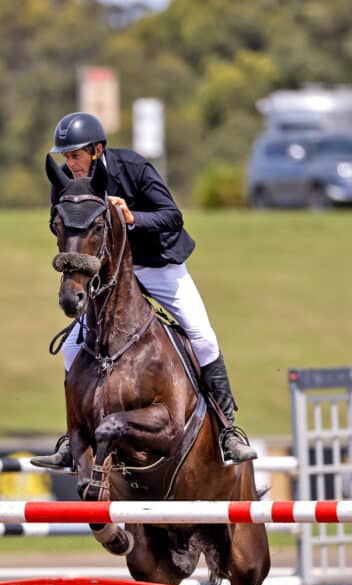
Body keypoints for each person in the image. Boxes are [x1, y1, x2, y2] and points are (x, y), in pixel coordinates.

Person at [31, 111, 257, 469]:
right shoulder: (67, 183)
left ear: (97, 150)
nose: (70, 163)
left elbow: (171, 215)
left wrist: (130, 217)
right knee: (73, 345)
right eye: (65, 156)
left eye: (75, 155)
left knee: (203, 336)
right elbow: (57, 224)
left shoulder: (133, 167)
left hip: (158, 265)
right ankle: (71, 436)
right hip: (110, 274)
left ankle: (228, 430)